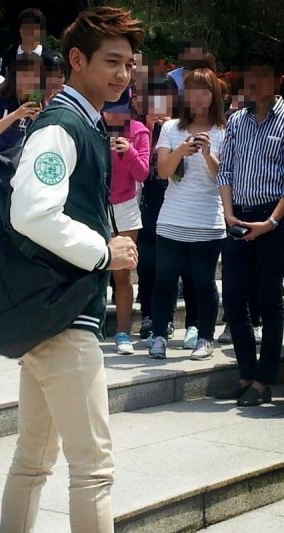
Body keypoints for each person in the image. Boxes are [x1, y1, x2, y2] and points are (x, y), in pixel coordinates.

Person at [0, 7, 143, 532]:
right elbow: (32, 212)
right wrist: (104, 251)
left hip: (50, 316)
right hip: (63, 320)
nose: (123, 74)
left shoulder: (80, 122)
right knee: (93, 470)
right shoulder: (63, 124)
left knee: (33, 460)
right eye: (112, 61)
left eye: (128, 63)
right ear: (77, 60)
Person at [215, 40, 284, 407]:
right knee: (234, 298)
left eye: (262, 75)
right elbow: (224, 170)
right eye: (250, 75)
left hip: (274, 217)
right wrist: (228, 213)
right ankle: (245, 374)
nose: (255, 81)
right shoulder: (237, 121)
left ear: (277, 79)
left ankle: (263, 380)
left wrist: (270, 222)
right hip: (237, 215)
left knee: (270, 300)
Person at [149, 68, 226, 361]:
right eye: (192, 90)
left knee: (203, 283)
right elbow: (163, 172)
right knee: (165, 280)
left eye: (204, 91)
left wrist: (207, 154)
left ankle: (205, 337)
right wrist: (181, 150)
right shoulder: (171, 128)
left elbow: (223, 179)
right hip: (172, 218)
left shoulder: (224, 131)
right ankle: (158, 335)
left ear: (213, 95)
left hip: (208, 221)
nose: (198, 97)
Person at [106, 99, 150, 354]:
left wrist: (129, 150)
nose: (113, 115)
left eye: (120, 111)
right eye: (109, 110)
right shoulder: (93, 126)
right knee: (89, 269)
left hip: (125, 205)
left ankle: (123, 332)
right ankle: (86, 328)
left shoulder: (139, 131)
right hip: (95, 204)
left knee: (123, 272)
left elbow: (143, 173)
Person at [0, 55, 43, 187]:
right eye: (25, 75)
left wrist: (39, 120)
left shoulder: (38, 101)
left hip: (22, 172)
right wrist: (15, 115)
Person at [1, 8, 53, 76]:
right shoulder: (10, 54)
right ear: (20, 30)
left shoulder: (50, 58)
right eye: (27, 27)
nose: (30, 32)